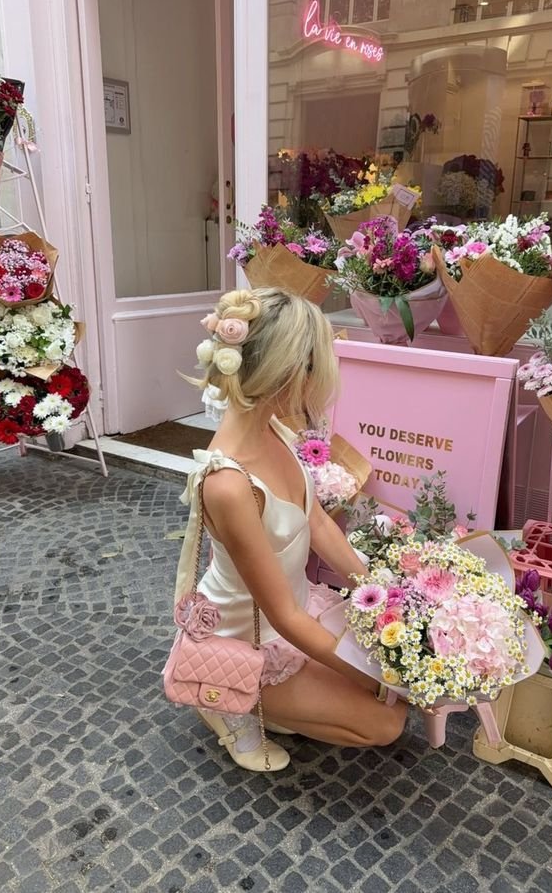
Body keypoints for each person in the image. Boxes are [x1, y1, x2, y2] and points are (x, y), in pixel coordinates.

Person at [174, 287, 407, 771]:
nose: (320, 383)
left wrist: (375, 591)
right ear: (287, 372)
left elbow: (316, 520)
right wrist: (385, 672)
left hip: (298, 607)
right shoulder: (229, 485)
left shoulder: (278, 429)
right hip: (250, 636)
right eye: (315, 368)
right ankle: (228, 698)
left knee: (389, 692)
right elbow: (280, 616)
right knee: (385, 722)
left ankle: (285, 703)